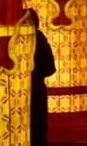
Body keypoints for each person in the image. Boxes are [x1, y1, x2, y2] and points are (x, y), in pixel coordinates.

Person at [29, 9, 56, 146]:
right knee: (38, 128)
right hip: (37, 90)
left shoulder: (14, 40)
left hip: (18, 92)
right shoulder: (40, 40)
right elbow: (50, 69)